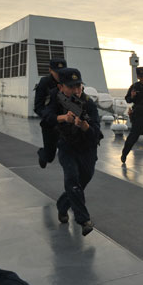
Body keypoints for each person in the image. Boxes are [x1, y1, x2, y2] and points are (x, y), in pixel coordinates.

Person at [42, 67, 101, 236]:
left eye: (79, 86)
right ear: (61, 87)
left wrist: (85, 126)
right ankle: (84, 220)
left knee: (82, 181)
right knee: (72, 179)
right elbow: (46, 115)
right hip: (67, 147)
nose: (76, 90)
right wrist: (63, 118)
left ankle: (62, 205)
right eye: (71, 87)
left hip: (87, 149)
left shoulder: (88, 103)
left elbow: (96, 131)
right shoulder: (55, 97)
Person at [34, 57, 66, 169]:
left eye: (62, 72)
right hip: (50, 124)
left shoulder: (69, 81)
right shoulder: (44, 83)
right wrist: (50, 116)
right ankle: (42, 154)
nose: (60, 75)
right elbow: (38, 106)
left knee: (68, 152)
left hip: (66, 122)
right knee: (49, 156)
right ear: (50, 70)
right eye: (57, 72)